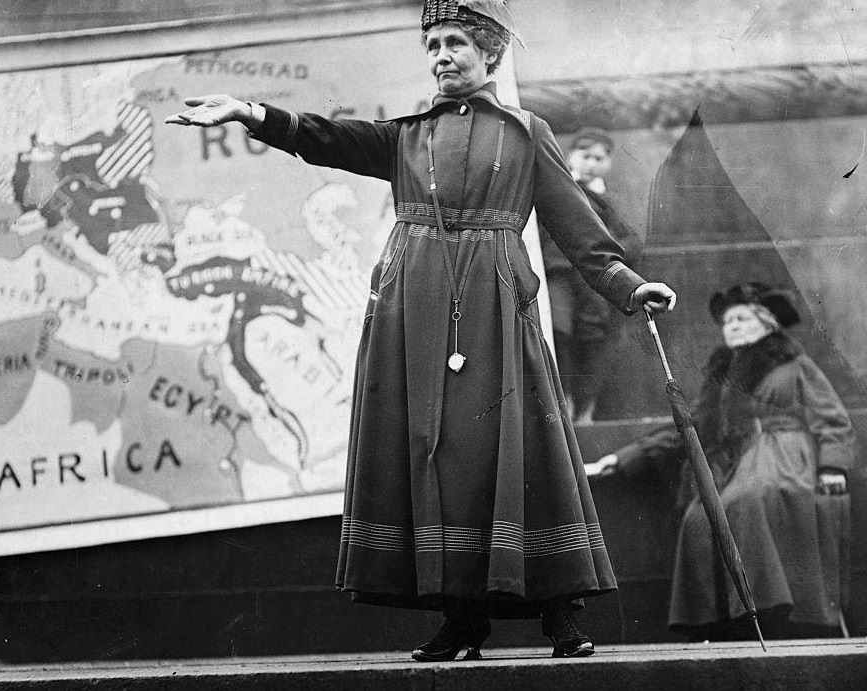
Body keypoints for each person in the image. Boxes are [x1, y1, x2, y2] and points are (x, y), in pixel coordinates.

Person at [167, 0, 676, 661]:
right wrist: (249, 111)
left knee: (517, 449)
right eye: (432, 42)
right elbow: (323, 136)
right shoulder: (406, 134)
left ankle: (561, 615)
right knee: (434, 458)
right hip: (412, 311)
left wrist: (630, 287)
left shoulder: (525, 134)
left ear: (489, 54)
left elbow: (580, 233)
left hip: (494, 307)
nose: (440, 53)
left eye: (456, 41)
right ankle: (460, 620)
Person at [587, 282, 854, 640]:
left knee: (746, 501)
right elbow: (690, 427)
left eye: (743, 319)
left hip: (784, 453)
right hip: (736, 458)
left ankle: (767, 610)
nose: (734, 327)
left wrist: (833, 466)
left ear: (768, 323)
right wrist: (623, 459)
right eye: (728, 322)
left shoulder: (793, 363)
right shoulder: (722, 376)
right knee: (701, 516)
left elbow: (832, 416)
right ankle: (719, 619)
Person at [539, 128, 644, 423]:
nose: (591, 163)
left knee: (595, 339)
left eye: (599, 158)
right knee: (559, 333)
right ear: (571, 156)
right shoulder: (554, 188)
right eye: (585, 156)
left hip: (595, 280)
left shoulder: (610, 201)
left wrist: (606, 248)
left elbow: (632, 240)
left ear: (608, 163)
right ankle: (563, 404)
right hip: (558, 274)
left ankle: (584, 409)